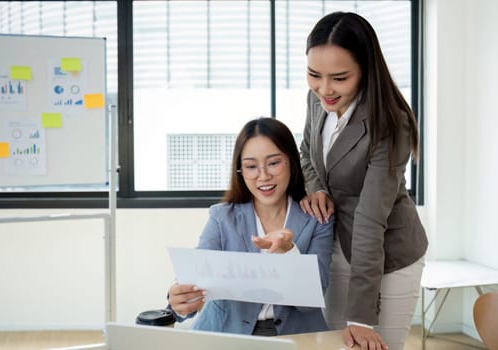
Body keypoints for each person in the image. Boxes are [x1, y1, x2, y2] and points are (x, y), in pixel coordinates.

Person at [299, 12, 428, 350]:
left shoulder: (390, 123)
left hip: (389, 255)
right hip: (337, 242)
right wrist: (316, 188)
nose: (324, 89)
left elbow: (371, 221)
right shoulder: (317, 101)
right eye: (314, 74)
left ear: (366, 71)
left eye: (339, 78)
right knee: (333, 342)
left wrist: (361, 318)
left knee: (373, 344)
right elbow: (305, 154)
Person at [167, 117, 334, 336]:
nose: (263, 176)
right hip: (226, 333)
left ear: (292, 162)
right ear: (241, 171)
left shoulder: (317, 217)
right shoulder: (222, 216)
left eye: (273, 163)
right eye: (251, 166)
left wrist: (289, 253)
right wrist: (179, 301)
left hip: (295, 336)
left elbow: (311, 300)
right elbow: (198, 275)